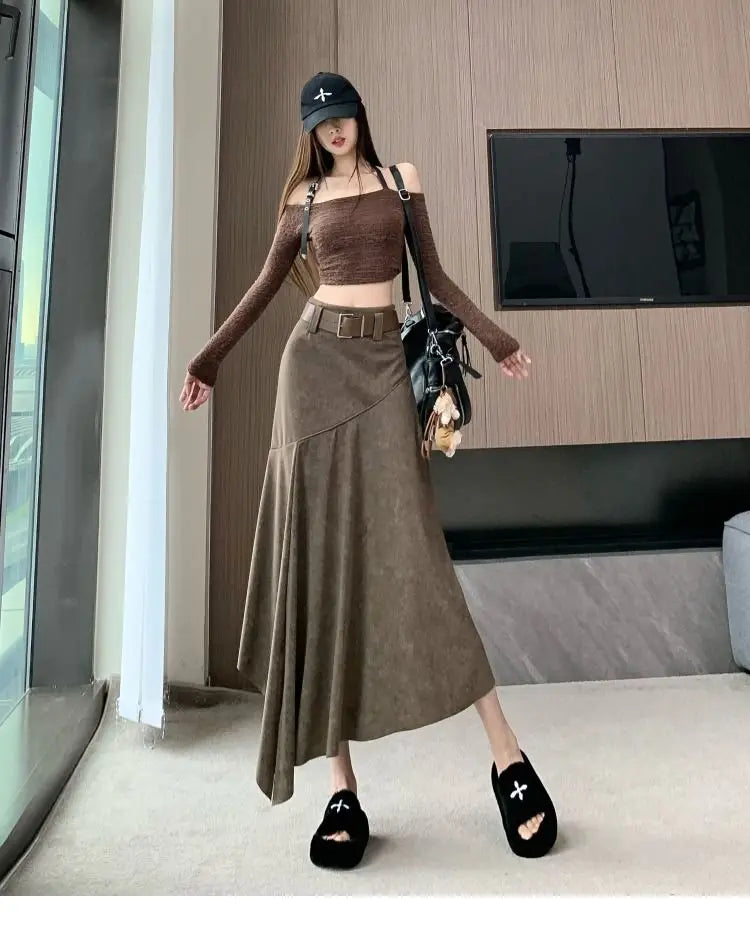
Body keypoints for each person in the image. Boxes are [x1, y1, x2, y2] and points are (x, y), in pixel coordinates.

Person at [179, 72, 557, 869]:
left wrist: (497, 340)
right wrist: (208, 359)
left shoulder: (399, 180)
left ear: (359, 115)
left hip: (385, 369)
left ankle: (508, 756)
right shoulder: (304, 200)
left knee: (419, 555)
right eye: (320, 122)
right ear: (310, 132)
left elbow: (437, 279)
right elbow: (264, 287)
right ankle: (341, 787)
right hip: (313, 374)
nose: (334, 129)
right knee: (320, 568)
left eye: (342, 115)